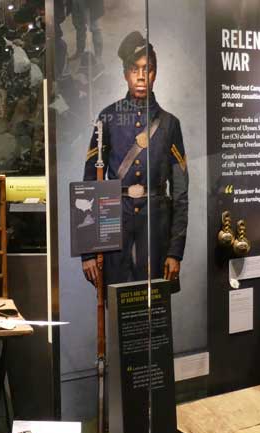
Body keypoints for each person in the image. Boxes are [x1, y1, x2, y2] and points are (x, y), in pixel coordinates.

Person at [81, 31, 188, 288]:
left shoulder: (170, 124)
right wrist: (87, 251)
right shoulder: (107, 117)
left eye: (147, 69)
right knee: (118, 309)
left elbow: (181, 193)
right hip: (114, 227)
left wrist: (175, 251)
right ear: (125, 73)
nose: (141, 77)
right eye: (134, 69)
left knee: (155, 311)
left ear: (155, 73)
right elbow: (89, 184)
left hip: (156, 230)